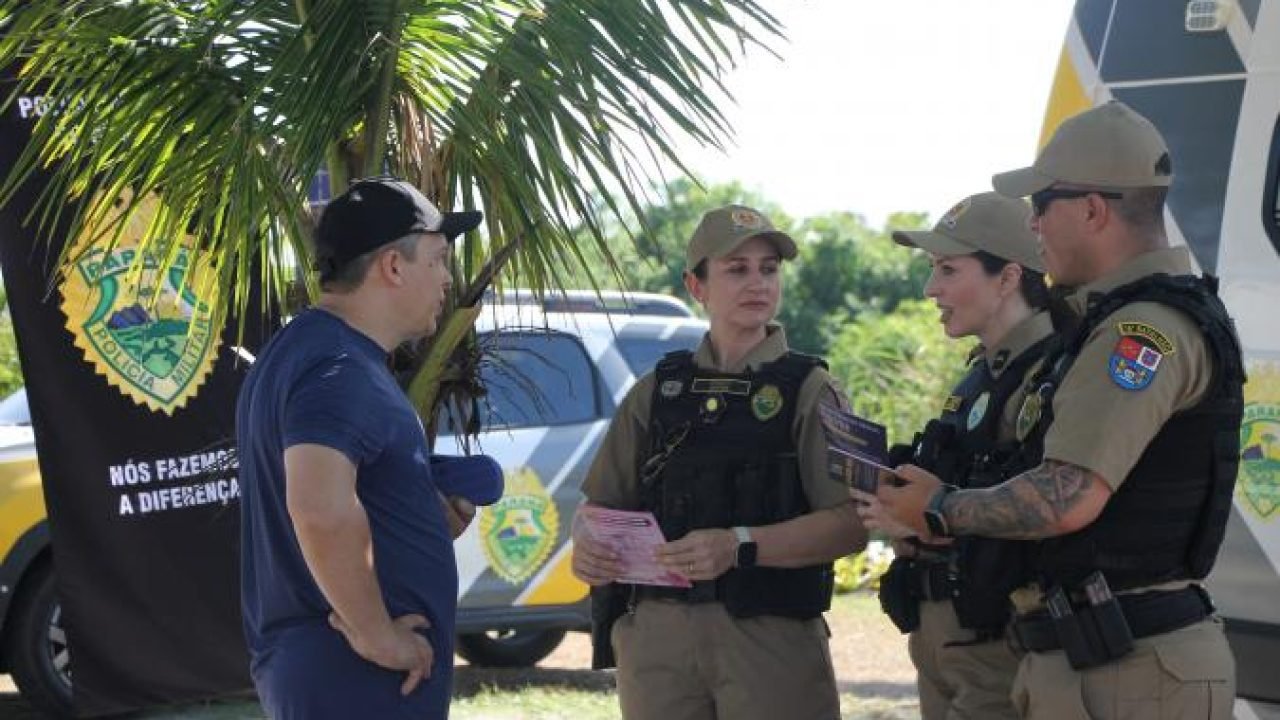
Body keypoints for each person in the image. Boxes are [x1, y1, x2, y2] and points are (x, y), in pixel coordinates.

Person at [877, 101, 1244, 720]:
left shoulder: (1141, 331)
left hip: (1129, 667)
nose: (1035, 225)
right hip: (1101, 659)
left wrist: (939, 507)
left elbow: (1068, 495)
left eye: (1042, 206)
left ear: (1093, 210)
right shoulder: (1114, 322)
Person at [571, 204, 867, 720]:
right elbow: (599, 507)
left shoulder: (815, 388)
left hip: (769, 636)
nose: (758, 283)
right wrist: (588, 544)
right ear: (696, 285)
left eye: (769, 269)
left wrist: (740, 546)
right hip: (657, 642)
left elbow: (853, 525)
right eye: (737, 269)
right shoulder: (658, 390)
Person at [236, 177, 483, 719]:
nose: (446, 279)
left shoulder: (309, 351)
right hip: (357, 676)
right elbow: (318, 508)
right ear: (393, 266)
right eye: (438, 260)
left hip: (337, 677)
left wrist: (414, 512)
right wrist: (378, 636)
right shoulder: (338, 367)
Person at [855, 191, 1053, 719]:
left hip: (998, 637)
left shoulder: (1050, 376)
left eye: (948, 269)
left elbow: (1044, 508)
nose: (930, 289)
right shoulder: (982, 372)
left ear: (1008, 278)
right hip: (942, 632)